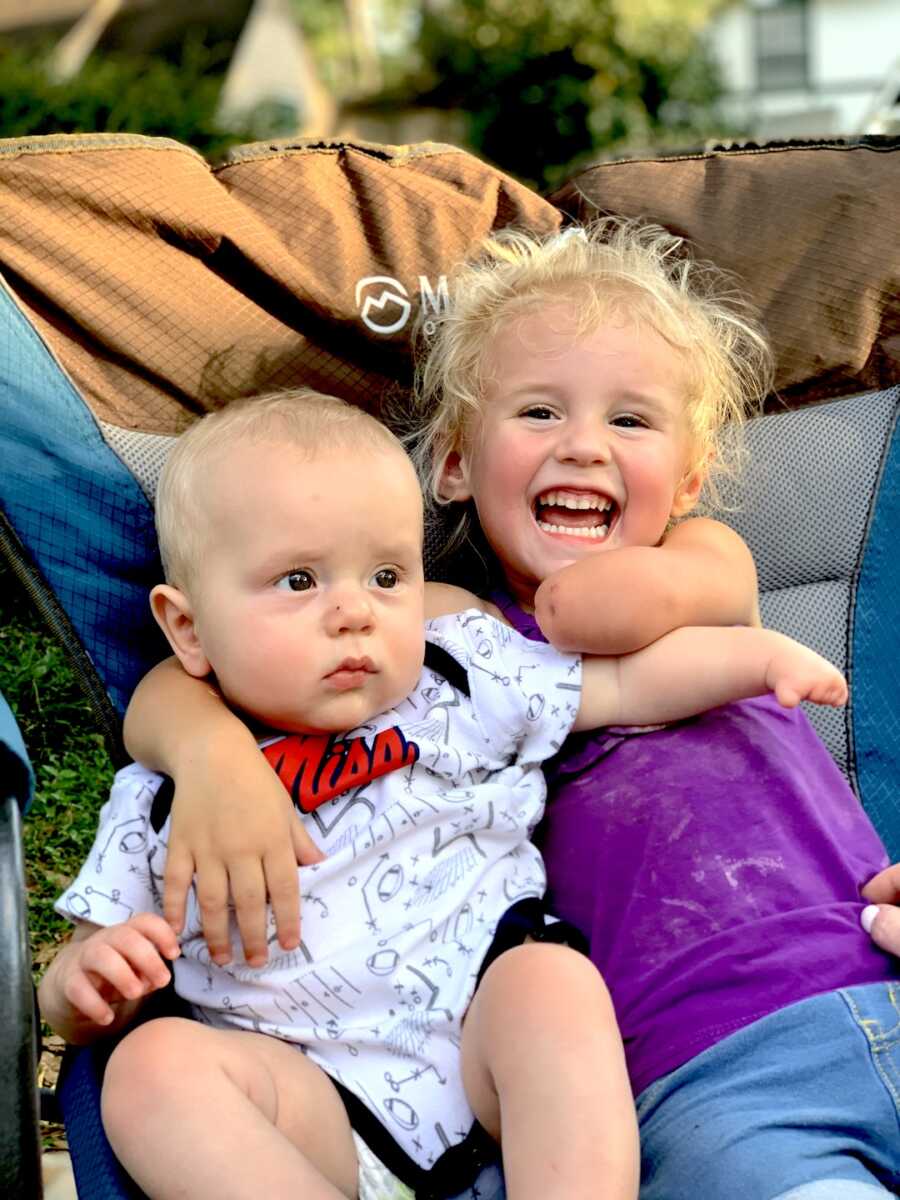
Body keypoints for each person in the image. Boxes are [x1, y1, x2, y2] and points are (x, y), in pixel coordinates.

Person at [119, 220, 900, 1199]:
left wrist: (529, 591)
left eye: (630, 422)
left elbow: (588, 608)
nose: (582, 445)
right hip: (706, 1060)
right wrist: (212, 758)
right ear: (452, 464)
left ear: (693, 478)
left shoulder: (711, 563)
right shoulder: (431, 645)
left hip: (866, 950)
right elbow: (184, 681)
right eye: (537, 412)